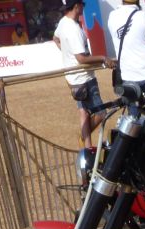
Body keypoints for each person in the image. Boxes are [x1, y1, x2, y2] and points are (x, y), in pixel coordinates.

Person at [53, 0, 107, 150]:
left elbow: (55, 38)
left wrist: (66, 51)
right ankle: (84, 138)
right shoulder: (73, 29)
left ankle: (87, 147)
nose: (84, 7)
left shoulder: (63, 22)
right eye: (82, 4)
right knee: (101, 113)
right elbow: (81, 58)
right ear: (76, 6)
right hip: (84, 78)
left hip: (72, 78)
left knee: (83, 112)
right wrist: (103, 58)